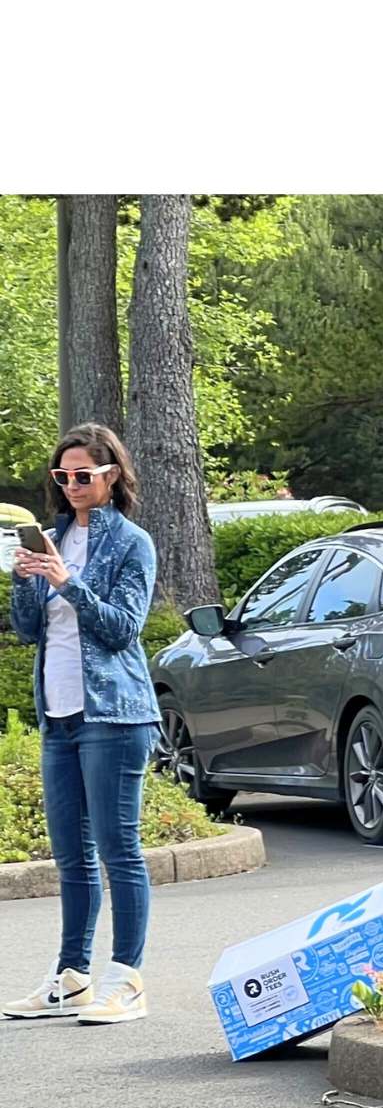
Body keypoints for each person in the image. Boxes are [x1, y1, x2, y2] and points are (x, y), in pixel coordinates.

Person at [5, 424, 161, 1026]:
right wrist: (26, 581)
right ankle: (71, 977)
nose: (71, 486)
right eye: (62, 476)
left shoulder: (132, 543)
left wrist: (70, 583)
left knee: (119, 850)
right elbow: (27, 630)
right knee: (71, 855)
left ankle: (126, 978)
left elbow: (123, 628)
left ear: (111, 476)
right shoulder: (55, 538)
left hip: (115, 714)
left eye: (83, 475)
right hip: (59, 712)